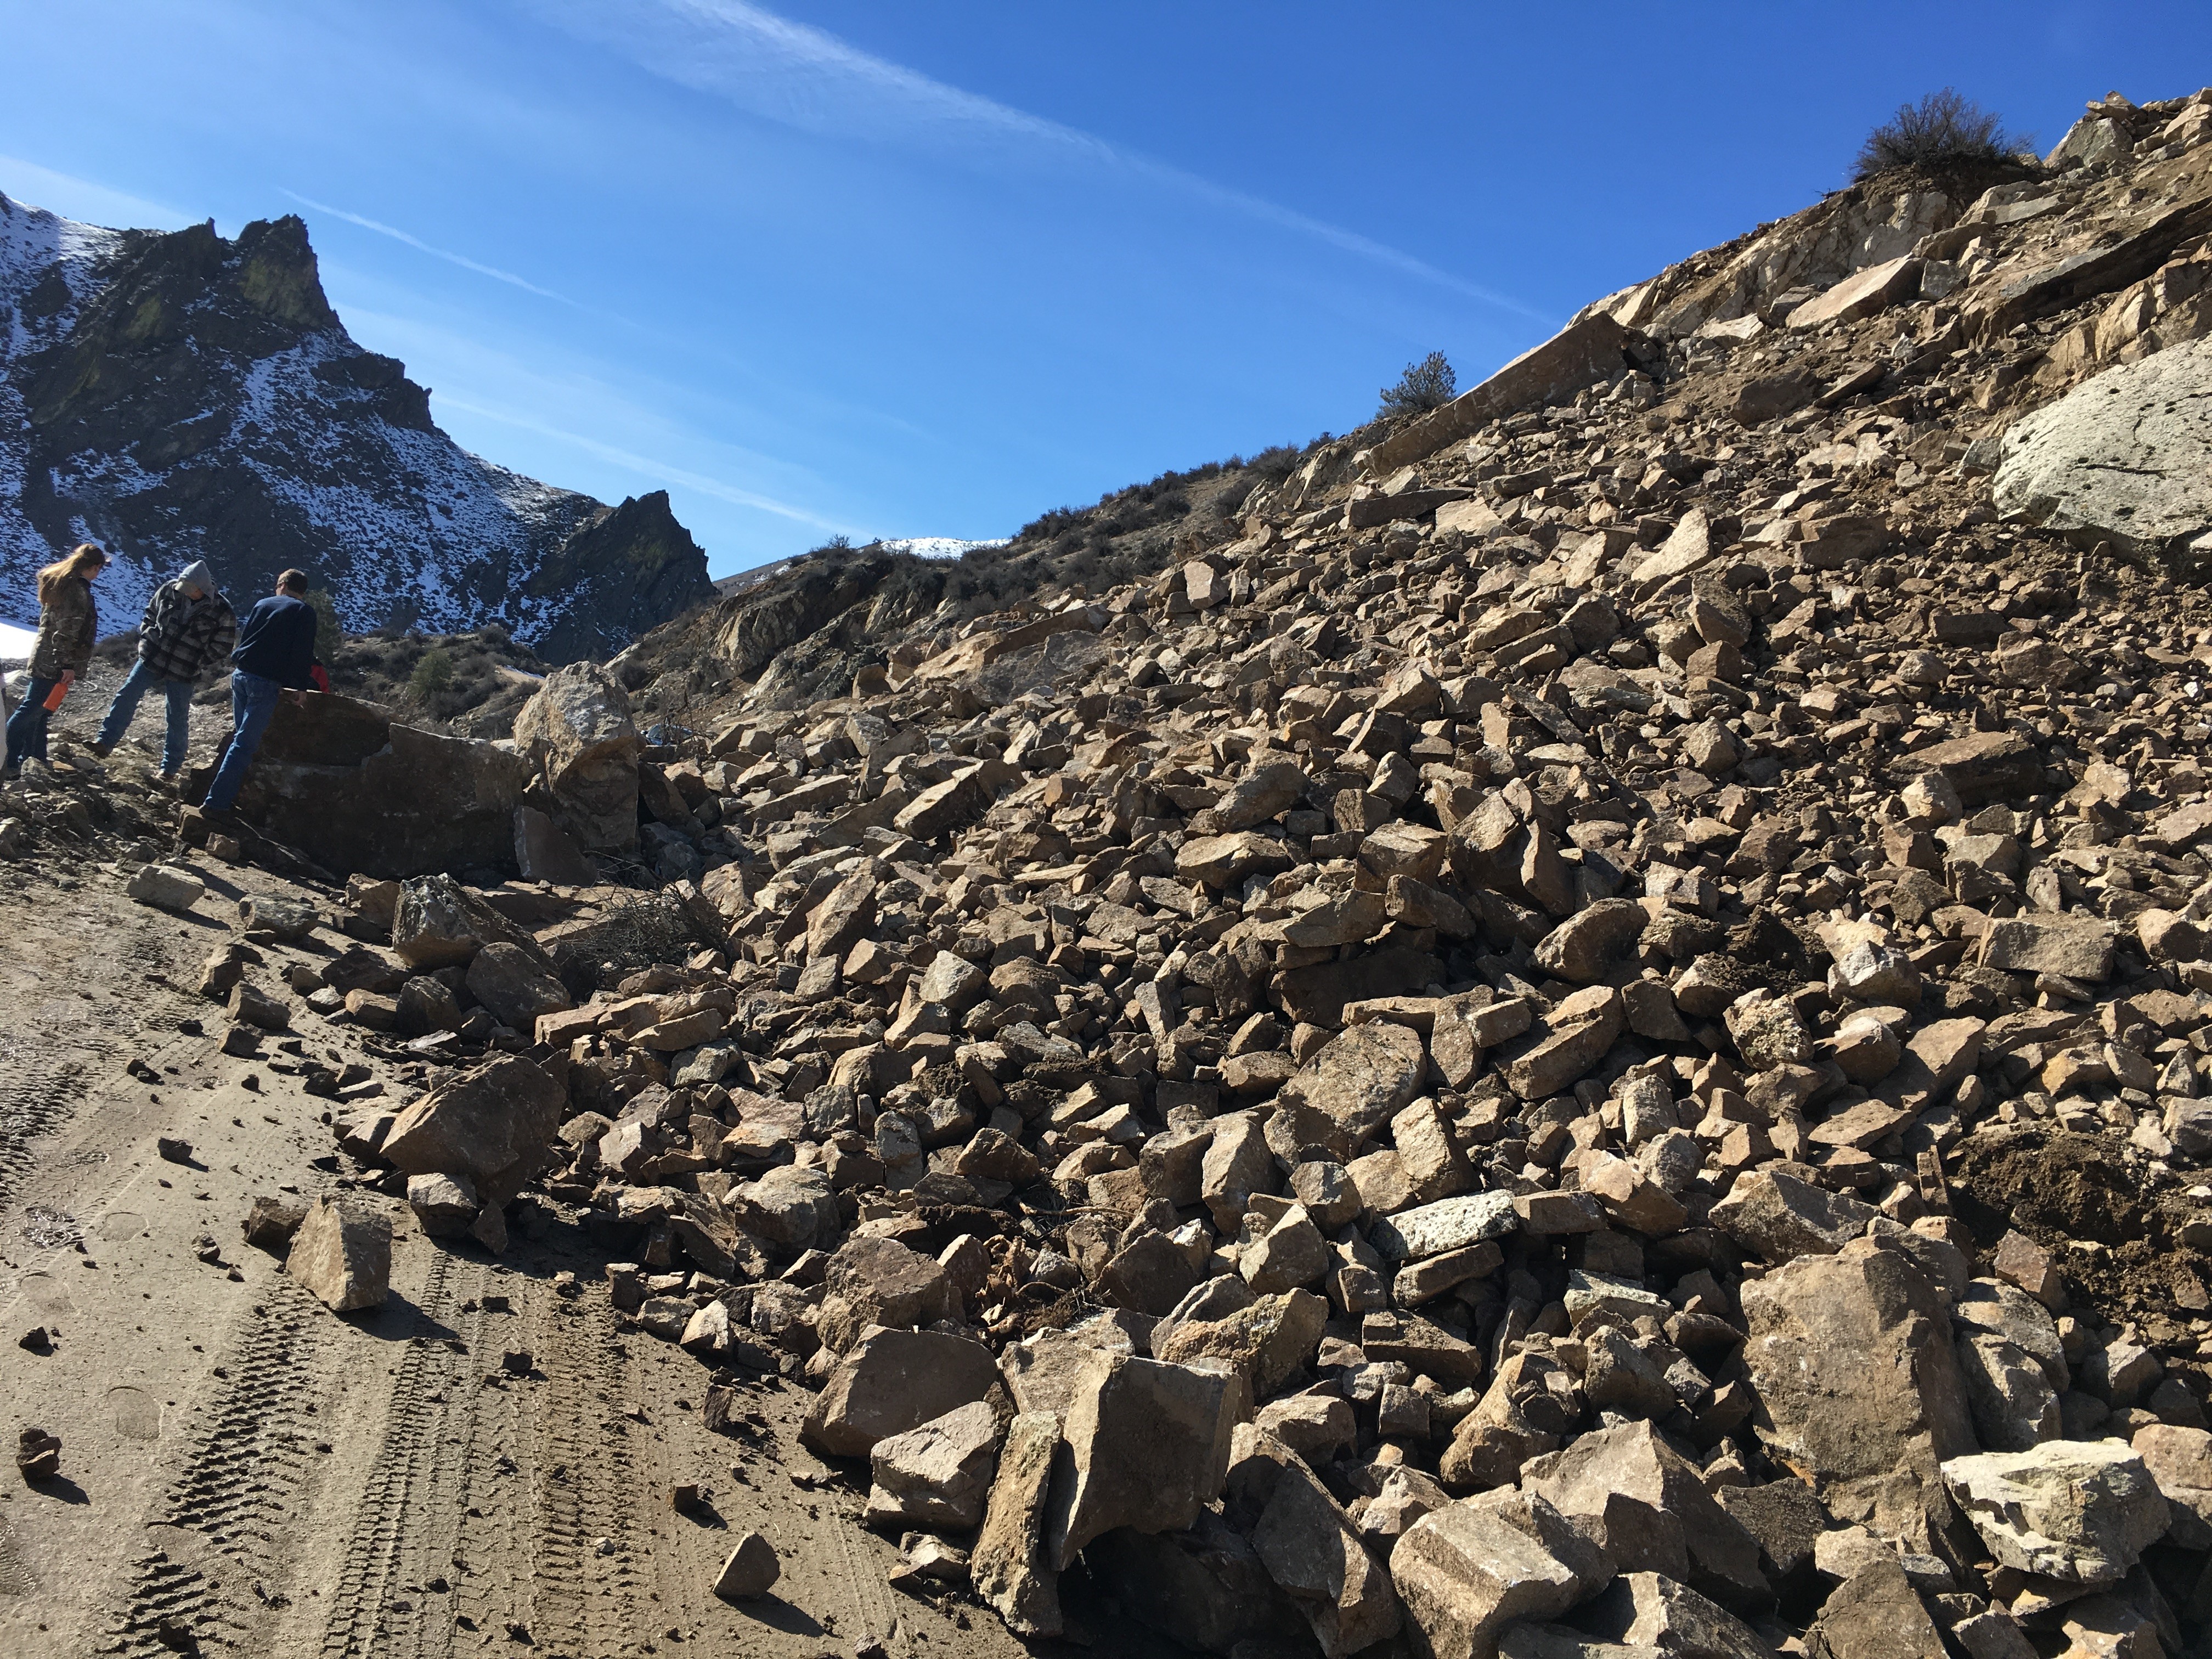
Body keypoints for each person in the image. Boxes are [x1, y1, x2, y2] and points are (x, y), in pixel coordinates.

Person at [90, 558, 235, 782]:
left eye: (190, 589)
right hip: (153, 657)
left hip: (185, 669)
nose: (185, 592)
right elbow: (150, 614)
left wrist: (198, 660)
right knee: (127, 695)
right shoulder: (169, 589)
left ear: (203, 588)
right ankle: (104, 742)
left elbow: (223, 646)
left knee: (177, 715)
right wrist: (147, 639)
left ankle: (170, 768)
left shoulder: (222, 610)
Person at [200, 568, 321, 819]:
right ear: (302, 591)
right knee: (245, 746)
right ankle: (217, 803)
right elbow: (301, 652)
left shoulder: (263, 604)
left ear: (283, 585)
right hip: (265, 684)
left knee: (239, 742)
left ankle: (224, 796)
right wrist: (301, 686)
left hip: (241, 676)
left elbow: (249, 639)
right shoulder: (303, 612)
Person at [3, 542, 106, 781]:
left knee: (41, 711)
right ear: (94, 567)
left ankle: (35, 758)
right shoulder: (77, 590)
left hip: (46, 656)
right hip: (55, 661)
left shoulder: (62, 582)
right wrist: (67, 665)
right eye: (99, 569)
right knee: (33, 709)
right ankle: (7, 759)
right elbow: (68, 630)